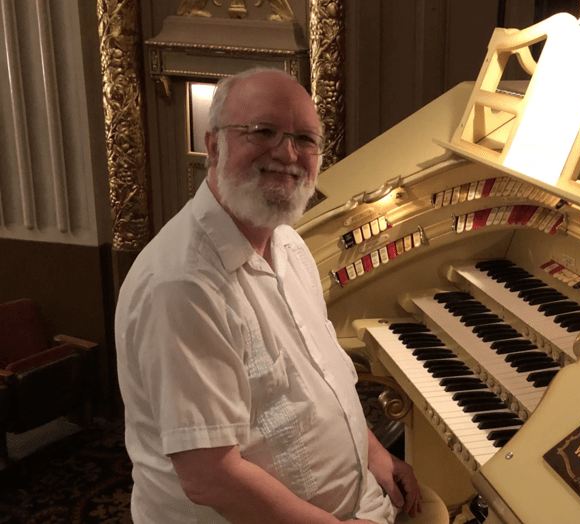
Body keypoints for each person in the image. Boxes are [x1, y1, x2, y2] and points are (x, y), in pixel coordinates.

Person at [115, 68, 424, 524]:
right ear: (214, 144)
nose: (288, 153)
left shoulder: (289, 245)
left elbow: (323, 381)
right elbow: (210, 477)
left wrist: (373, 455)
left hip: (356, 505)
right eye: (263, 132)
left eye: (306, 138)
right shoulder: (182, 285)